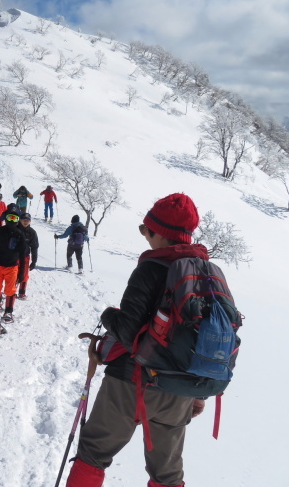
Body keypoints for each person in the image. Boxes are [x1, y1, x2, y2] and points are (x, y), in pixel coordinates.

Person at [64, 193, 208, 487]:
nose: (144, 235)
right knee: (167, 475)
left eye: (146, 229)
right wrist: (199, 393)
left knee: (93, 453)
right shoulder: (205, 272)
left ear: (159, 233)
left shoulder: (151, 268)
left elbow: (129, 332)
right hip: (181, 390)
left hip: (133, 383)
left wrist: (107, 315)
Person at [0, 210, 27, 324]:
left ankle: (8, 312)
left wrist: (22, 272)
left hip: (12, 267)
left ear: (18, 221)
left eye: (15, 219)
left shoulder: (19, 234)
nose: (12, 221)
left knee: (10, 290)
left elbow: (23, 255)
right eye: (10, 218)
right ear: (6, 219)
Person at [17, 213, 39, 300]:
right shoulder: (15, 229)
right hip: (14, 256)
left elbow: (34, 247)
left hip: (25, 256)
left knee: (24, 275)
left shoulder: (32, 232)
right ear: (20, 220)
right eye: (24, 220)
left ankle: (22, 293)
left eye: (27, 220)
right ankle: (10, 292)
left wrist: (34, 261)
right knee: (13, 275)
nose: (25, 222)